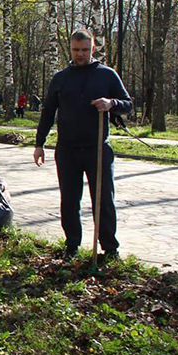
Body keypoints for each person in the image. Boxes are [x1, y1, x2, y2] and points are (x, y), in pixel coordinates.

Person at [34, 29, 133, 260]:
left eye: (85, 50)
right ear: (70, 49)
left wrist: (112, 103)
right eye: (76, 50)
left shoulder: (106, 75)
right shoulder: (61, 78)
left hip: (98, 148)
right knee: (69, 200)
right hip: (67, 149)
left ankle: (109, 249)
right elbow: (48, 112)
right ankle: (72, 245)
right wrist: (39, 144)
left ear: (93, 49)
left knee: (103, 200)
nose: (80, 54)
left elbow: (128, 104)